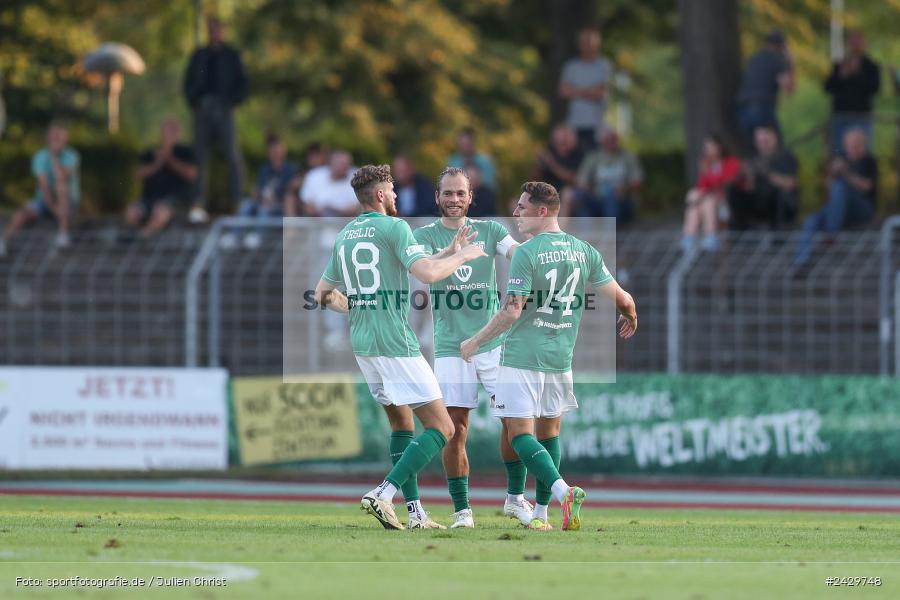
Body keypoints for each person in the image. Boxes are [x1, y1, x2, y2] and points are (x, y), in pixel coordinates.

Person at [313, 164, 487, 530]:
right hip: (394, 342)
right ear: (379, 194)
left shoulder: (345, 234)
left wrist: (357, 306)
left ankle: (416, 514)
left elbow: (322, 295)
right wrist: (462, 257)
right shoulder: (394, 227)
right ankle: (383, 492)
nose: (395, 196)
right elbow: (426, 274)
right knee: (443, 427)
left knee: (401, 423)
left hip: (363, 343)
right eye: (391, 191)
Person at [460, 181, 637, 531]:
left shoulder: (527, 252)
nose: (516, 214)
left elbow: (512, 311)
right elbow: (624, 299)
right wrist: (630, 315)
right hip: (560, 358)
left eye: (523, 208)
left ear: (542, 212)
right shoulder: (584, 251)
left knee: (518, 435)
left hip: (523, 356)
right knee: (550, 433)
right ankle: (541, 514)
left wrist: (476, 341)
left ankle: (562, 491)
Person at [413, 167, 527, 529]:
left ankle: (514, 499)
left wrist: (546, 254)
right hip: (449, 345)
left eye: (460, 193)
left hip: (494, 342)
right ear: (437, 197)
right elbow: (427, 270)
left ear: (470, 196)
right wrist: (456, 252)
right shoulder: (424, 235)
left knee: (514, 422)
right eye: (447, 193)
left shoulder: (492, 230)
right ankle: (462, 510)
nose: (454, 199)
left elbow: (518, 254)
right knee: (456, 428)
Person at [183, 16, 248, 223]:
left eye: (217, 29)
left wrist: (231, 102)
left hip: (224, 109)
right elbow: (188, 82)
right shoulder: (200, 54)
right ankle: (197, 203)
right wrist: (195, 101)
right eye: (211, 29)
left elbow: (243, 83)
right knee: (200, 157)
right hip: (203, 109)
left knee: (232, 156)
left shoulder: (231, 55)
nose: (214, 33)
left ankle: (238, 202)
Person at [795, 128, 877, 265]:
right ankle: (801, 260)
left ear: (862, 144)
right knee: (811, 220)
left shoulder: (869, 160)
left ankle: (831, 234)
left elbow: (867, 187)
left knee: (840, 187)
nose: (850, 149)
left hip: (862, 207)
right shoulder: (842, 157)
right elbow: (829, 189)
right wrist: (832, 173)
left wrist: (846, 173)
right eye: (847, 145)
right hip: (838, 210)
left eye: (854, 145)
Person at [1, 121, 79, 257]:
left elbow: (61, 178)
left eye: (58, 136)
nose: (56, 139)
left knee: (61, 188)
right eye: (53, 136)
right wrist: (54, 209)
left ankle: (63, 233)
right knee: (21, 214)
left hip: (68, 201)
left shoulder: (72, 156)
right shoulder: (40, 157)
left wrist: (54, 157)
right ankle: (3, 241)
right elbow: (44, 186)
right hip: (45, 201)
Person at [124, 118, 197, 239]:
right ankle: (135, 235)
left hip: (176, 200)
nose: (170, 135)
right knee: (132, 212)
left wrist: (170, 159)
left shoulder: (186, 152)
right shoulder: (150, 153)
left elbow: (191, 175)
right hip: (150, 198)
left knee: (160, 210)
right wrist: (158, 162)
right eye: (168, 131)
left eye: (173, 131)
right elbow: (138, 175)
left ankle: (143, 236)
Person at [727, 126, 798, 230]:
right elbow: (749, 188)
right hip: (759, 201)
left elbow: (791, 184)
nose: (763, 144)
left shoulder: (785, 157)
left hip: (778, 201)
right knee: (735, 193)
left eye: (765, 140)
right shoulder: (755, 159)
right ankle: (739, 233)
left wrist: (768, 174)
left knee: (774, 195)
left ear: (774, 138)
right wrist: (748, 174)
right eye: (759, 141)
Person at [735, 31, 795, 151]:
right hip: (761, 108)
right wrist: (791, 63)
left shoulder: (754, 59)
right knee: (775, 148)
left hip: (741, 109)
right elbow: (788, 88)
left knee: (753, 150)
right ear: (781, 46)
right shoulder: (777, 60)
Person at [681, 135, 741, 252]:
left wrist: (708, 173)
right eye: (706, 148)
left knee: (705, 201)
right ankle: (691, 236)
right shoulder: (706, 164)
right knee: (694, 195)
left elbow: (724, 185)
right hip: (707, 202)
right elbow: (702, 187)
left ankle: (708, 236)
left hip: (725, 203)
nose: (708, 151)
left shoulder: (731, 163)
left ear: (720, 147)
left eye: (711, 147)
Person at [824, 31, 881, 153]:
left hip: (861, 115)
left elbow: (874, 89)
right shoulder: (840, 65)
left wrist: (858, 74)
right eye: (853, 42)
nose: (855, 45)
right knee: (839, 152)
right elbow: (828, 87)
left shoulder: (871, 67)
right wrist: (842, 75)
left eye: (858, 41)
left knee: (861, 153)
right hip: (841, 115)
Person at [558, 28, 613, 151]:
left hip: (596, 125)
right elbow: (563, 92)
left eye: (589, 42)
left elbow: (601, 93)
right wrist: (590, 90)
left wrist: (575, 90)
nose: (586, 45)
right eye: (584, 42)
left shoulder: (603, 65)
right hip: (574, 124)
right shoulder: (571, 66)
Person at [574, 129, 642, 224]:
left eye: (613, 140)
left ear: (617, 140)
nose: (610, 143)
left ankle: (609, 233)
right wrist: (589, 189)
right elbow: (581, 181)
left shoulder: (628, 157)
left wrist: (624, 189)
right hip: (597, 199)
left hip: (622, 201)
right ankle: (585, 233)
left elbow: (637, 182)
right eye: (607, 140)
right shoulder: (593, 158)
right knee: (580, 196)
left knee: (611, 195)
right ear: (601, 141)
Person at [534, 124, 583, 218]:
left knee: (566, 194)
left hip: (570, 195)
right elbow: (534, 180)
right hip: (548, 194)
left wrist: (552, 164)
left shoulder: (578, 154)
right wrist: (538, 165)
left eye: (563, 141)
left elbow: (574, 179)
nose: (560, 144)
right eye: (557, 141)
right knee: (516, 202)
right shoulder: (550, 152)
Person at [299, 150, 358, 217]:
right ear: (331, 163)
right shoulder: (314, 175)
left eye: (347, 163)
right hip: (317, 221)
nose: (344, 166)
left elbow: (358, 207)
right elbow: (306, 203)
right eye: (341, 163)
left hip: (348, 223)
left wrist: (332, 210)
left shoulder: (357, 177)